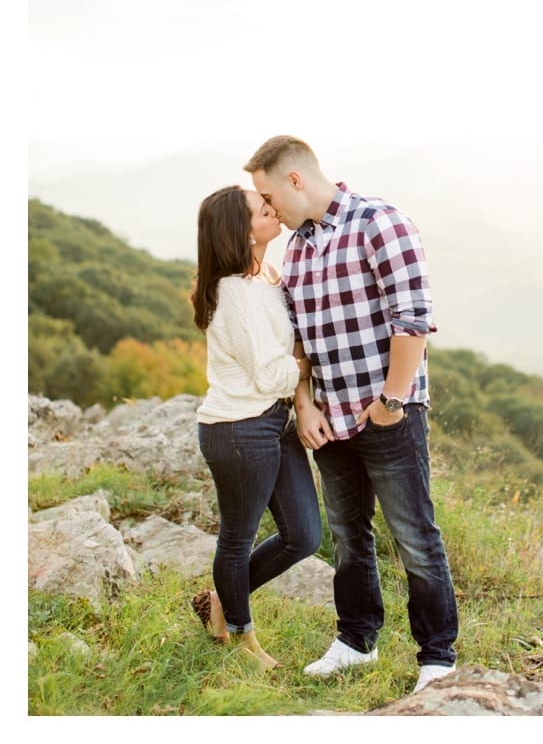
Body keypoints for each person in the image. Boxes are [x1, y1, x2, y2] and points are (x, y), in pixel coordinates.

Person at [244, 135, 460, 694]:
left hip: (387, 415)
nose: (269, 210)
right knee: (347, 535)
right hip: (330, 421)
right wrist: (304, 402)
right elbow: (301, 342)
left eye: (269, 196)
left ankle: (437, 658)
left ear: (295, 179)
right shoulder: (297, 248)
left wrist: (390, 402)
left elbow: (411, 322)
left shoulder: (378, 223)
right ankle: (356, 640)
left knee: (414, 534)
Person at [189, 185, 323, 670]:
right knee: (237, 538)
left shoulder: (267, 277)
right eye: (260, 208)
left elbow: (279, 369)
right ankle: (243, 642)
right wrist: (311, 360)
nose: (272, 208)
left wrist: (297, 368)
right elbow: (271, 374)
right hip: (238, 429)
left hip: (274, 421)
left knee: (305, 536)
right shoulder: (234, 293)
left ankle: (220, 601)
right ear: (240, 232)